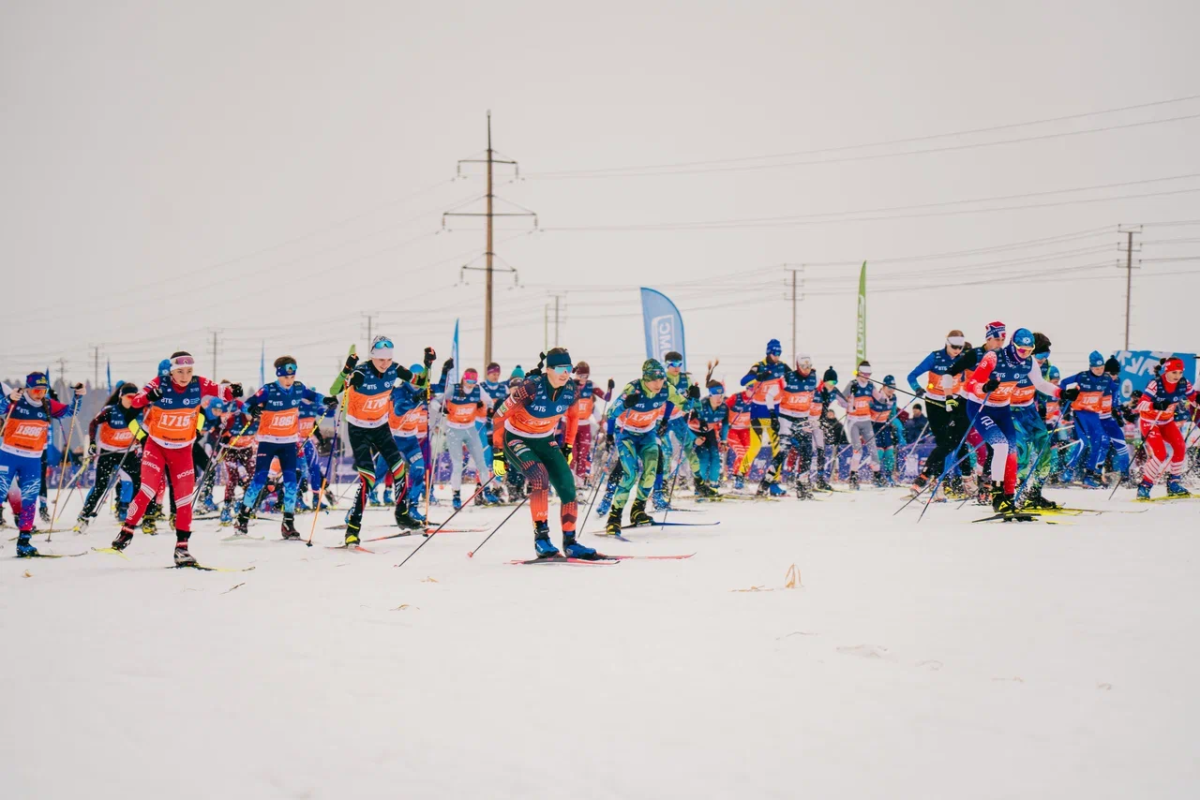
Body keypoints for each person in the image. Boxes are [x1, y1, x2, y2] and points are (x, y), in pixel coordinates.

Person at [108, 353, 238, 566]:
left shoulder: (199, 383)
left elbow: (223, 392)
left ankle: (182, 548)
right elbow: (136, 403)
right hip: (156, 446)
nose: (185, 376)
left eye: (189, 371)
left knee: (184, 499)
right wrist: (151, 396)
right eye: (180, 371)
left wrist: (234, 390)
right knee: (148, 490)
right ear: (171, 371)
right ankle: (127, 531)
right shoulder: (161, 383)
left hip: (183, 449)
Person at [492, 348, 596, 559]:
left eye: (569, 368)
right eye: (560, 368)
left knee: (567, 483)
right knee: (539, 477)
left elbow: (573, 418)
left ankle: (570, 542)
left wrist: (567, 446)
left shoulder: (570, 390)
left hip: (545, 439)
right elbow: (499, 415)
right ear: (548, 369)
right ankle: (542, 539)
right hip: (516, 438)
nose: (565, 373)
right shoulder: (530, 388)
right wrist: (498, 453)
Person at [330, 336, 433, 545]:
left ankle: (402, 514)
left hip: (381, 427)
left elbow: (421, 382)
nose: (385, 364)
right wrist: (345, 371)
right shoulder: (361, 372)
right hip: (358, 429)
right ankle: (352, 528)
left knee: (399, 469)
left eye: (388, 359)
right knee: (367, 478)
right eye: (380, 360)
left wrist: (427, 365)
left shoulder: (395, 370)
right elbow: (334, 390)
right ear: (372, 357)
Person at [967, 328, 1073, 512]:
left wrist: (1061, 393)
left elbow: (1040, 384)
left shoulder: (1029, 362)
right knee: (1000, 446)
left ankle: (1010, 497)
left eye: (1029, 350)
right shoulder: (993, 357)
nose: (1025, 354)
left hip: (1003, 408)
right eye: (1022, 350)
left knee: (1012, 451)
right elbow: (971, 384)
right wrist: (985, 387)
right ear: (1012, 345)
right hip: (981, 407)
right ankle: (997, 496)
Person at [233, 356, 336, 539]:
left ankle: (288, 523)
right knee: (259, 480)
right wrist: (252, 410)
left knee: (290, 483)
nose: (289, 380)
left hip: (288, 442)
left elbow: (314, 397)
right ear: (279, 375)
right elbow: (246, 405)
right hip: (268, 441)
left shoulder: (298, 388)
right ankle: (242, 518)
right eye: (286, 377)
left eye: (292, 376)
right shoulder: (269, 389)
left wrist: (327, 400)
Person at [0, 373, 85, 556]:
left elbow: (70, 411)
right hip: (9, 455)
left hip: (32, 459)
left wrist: (79, 396)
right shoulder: (17, 400)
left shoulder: (47, 404)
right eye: (37, 390)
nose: (40, 394)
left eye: (43, 390)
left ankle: (24, 541)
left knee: (30, 499)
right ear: (28, 389)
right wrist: (7, 399)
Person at [602, 359, 676, 534]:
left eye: (661, 379)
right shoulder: (633, 389)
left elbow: (674, 402)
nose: (658, 384)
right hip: (626, 434)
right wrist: (610, 435)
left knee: (653, 466)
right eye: (654, 379)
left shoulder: (665, 389)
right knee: (628, 472)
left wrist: (666, 419)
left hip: (647, 434)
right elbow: (612, 412)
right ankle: (612, 513)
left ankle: (638, 510)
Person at [75, 383, 141, 532]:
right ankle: (84, 515)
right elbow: (93, 424)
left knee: (140, 481)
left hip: (128, 452)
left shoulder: (138, 411)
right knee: (101, 485)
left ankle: (135, 512)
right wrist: (92, 443)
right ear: (121, 397)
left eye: (135, 397)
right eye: (129, 397)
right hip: (108, 452)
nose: (132, 400)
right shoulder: (110, 411)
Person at [907, 330, 966, 495]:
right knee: (943, 442)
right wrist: (917, 388)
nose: (957, 350)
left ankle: (951, 480)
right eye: (954, 346)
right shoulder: (935, 357)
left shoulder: (963, 359)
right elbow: (911, 376)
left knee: (955, 442)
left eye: (960, 347)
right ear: (947, 343)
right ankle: (938, 484)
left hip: (953, 403)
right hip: (934, 404)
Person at [1134, 357, 1196, 500]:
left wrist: (1197, 401)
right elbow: (1140, 404)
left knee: (1180, 447)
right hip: (1150, 421)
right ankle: (1145, 486)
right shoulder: (1156, 384)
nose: (1177, 376)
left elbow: (1193, 398)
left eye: (1180, 372)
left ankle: (1174, 483)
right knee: (1160, 453)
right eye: (1174, 372)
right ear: (1167, 370)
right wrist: (1154, 405)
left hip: (1167, 421)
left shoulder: (1183, 383)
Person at [439, 367, 500, 510]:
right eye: (468, 380)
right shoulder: (454, 389)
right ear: (464, 379)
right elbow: (438, 401)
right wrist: (442, 408)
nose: (471, 383)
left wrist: (490, 410)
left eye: (474, 380)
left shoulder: (478, 390)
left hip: (470, 429)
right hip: (454, 430)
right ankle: (456, 495)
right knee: (458, 464)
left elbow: (490, 402)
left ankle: (487, 491)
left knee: (482, 462)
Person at [736, 339, 788, 488]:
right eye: (775, 353)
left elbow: (795, 377)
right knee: (755, 446)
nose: (777, 356)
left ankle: (774, 481)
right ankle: (740, 475)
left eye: (779, 353)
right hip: (758, 412)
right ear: (768, 352)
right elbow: (743, 381)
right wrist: (758, 377)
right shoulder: (759, 366)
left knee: (777, 449)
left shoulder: (782, 367)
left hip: (775, 413)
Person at [838, 361, 888, 488]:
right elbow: (840, 400)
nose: (866, 377)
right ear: (859, 373)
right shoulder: (852, 384)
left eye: (869, 374)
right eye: (864, 374)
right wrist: (849, 403)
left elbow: (880, 399)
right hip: (853, 421)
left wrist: (886, 398)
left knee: (873, 449)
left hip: (866, 420)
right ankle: (853, 477)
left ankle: (877, 476)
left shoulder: (871, 386)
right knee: (858, 450)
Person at [777, 355, 819, 498]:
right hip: (787, 419)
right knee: (785, 450)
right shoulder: (788, 378)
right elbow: (773, 395)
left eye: (808, 366)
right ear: (797, 366)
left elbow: (816, 398)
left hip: (803, 419)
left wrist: (814, 417)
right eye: (803, 367)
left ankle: (802, 482)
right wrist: (773, 413)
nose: (806, 370)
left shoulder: (815, 378)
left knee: (807, 450)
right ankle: (772, 481)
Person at [569, 362, 612, 487]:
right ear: (576, 374)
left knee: (583, 455)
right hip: (570, 424)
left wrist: (610, 387)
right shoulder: (569, 385)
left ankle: (580, 484)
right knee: (573, 455)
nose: (583, 379)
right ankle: (570, 483)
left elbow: (607, 398)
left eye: (586, 376)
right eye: (580, 376)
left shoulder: (590, 386)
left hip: (584, 425)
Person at [690, 381, 729, 497]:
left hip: (709, 432)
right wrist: (694, 438)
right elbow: (684, 423)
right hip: (696, 432)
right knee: (704, 457)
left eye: (721, 395)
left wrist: (724, 440)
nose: (719, 398)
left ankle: (713, 487)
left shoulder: (724, 407)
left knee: (715, 457)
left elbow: (726, 423)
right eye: (716, 395)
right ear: (710, 395)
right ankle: (699, 487)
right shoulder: (700, 405)